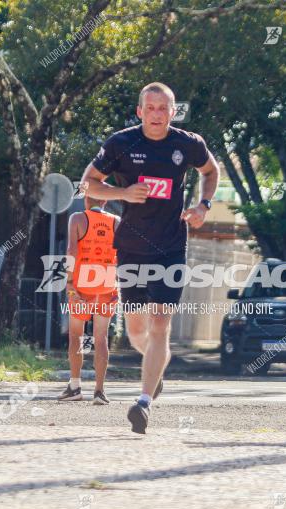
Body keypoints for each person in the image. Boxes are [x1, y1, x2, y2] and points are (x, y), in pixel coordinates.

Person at [80, 82, 220, 434]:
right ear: (140, 111)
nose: (157, 114)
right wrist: (122, 192)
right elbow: (89, 184)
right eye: (150, 107)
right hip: (130, 247)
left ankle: (143, 403)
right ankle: (154, 371)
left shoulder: (188, 144)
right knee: (137, 331)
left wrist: (203, 205)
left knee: (161, 324)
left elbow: (211, 171)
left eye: (164, 108)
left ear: (174, 112)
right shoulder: (121, 144)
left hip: (171, 247)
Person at [58, 195, 120, 404]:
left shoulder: (77, 218)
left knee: (76, 335)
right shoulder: (116, 222)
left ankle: (75, 387)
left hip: (82, 286)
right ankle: (100, 391)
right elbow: (122, 255)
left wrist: (69, 282)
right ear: (105, 201)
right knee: (101, 338)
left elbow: (71, 251)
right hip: (107, 285)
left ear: (87, 200)